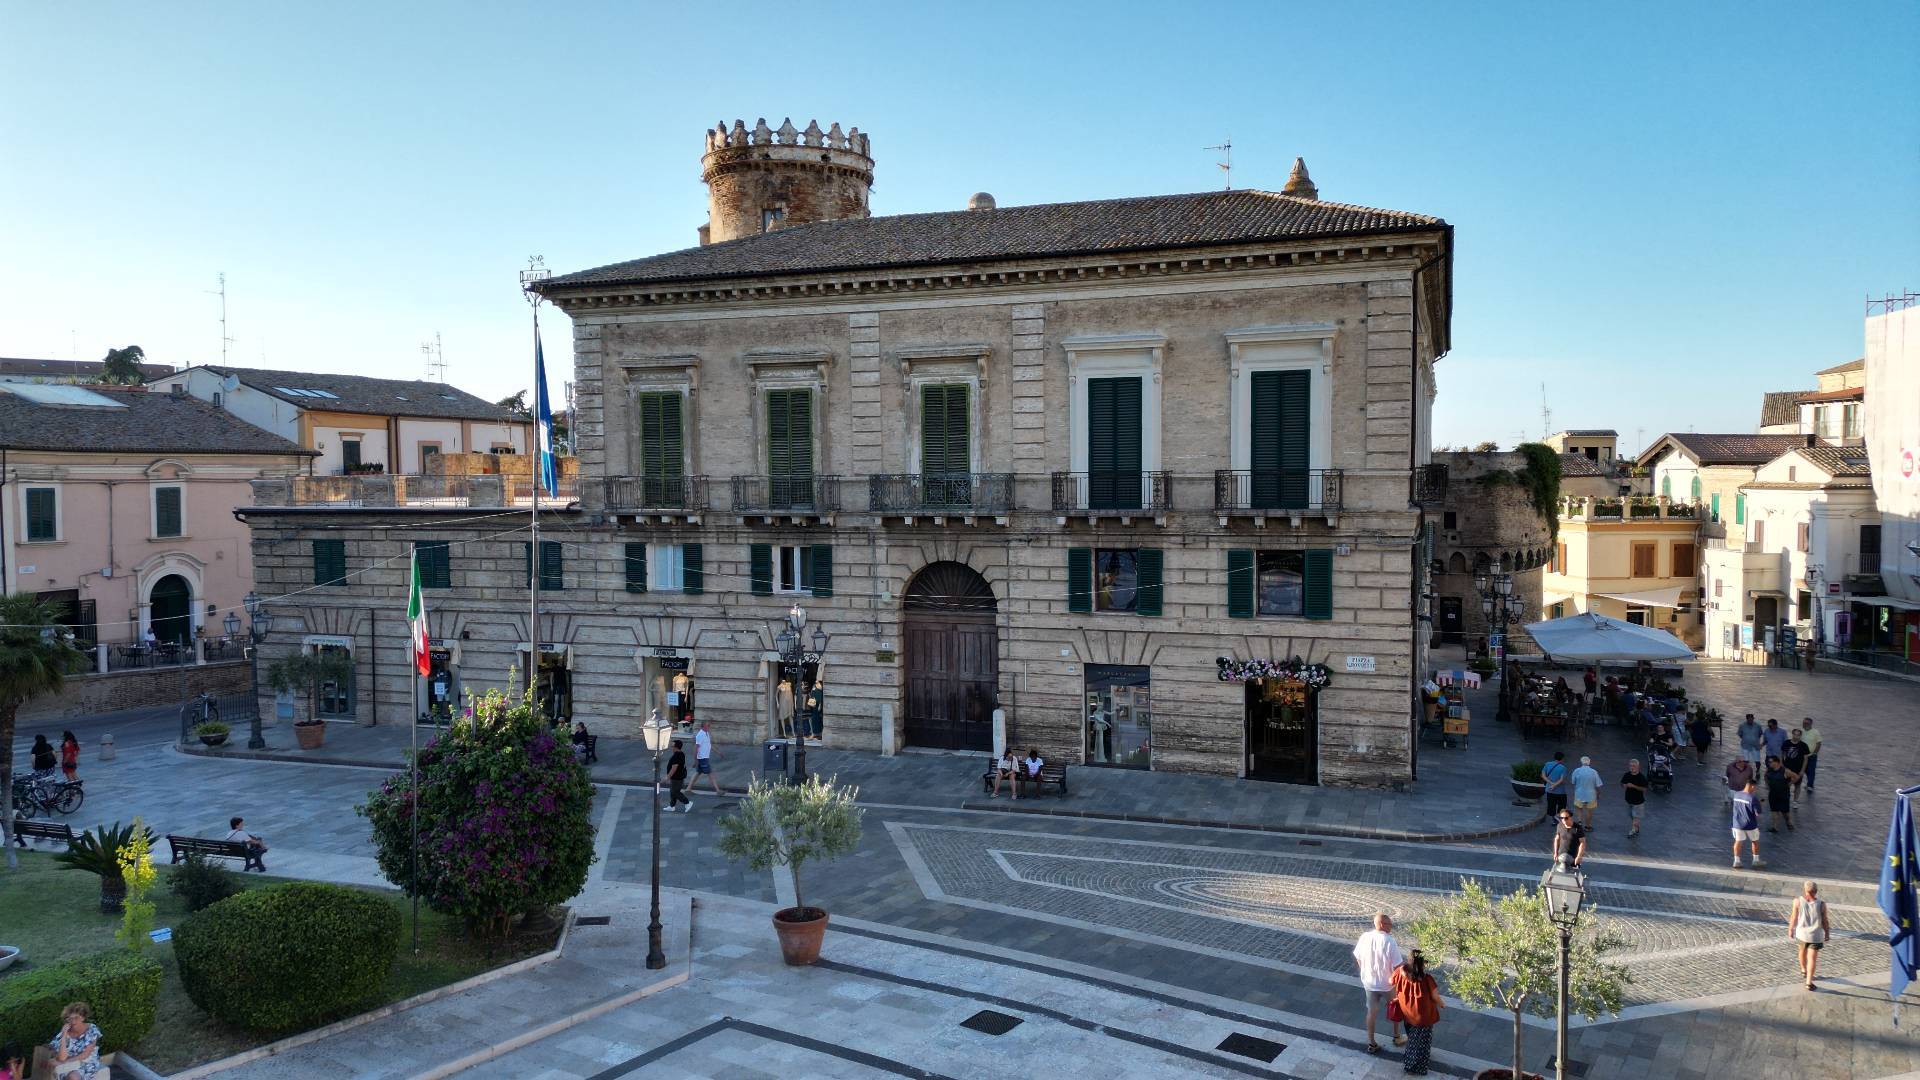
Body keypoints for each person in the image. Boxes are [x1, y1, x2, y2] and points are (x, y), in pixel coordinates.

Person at [1352, 912, 1406, 1055]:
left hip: (1369, 983)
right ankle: (1396, 1036)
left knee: (1371, 1012)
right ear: (1382, 924)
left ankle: (1371, 1043)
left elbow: (1358, 957)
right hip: (1387, 984)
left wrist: (1363, 972)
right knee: (1394, 1008)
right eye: (1389, 924)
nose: (1391, 927)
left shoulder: (1364, 937)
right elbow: (1398, 966)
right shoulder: (1389, 941)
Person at [1391, 949, 1441, 1075]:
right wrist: (1442, 1004)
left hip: (1407, 1013)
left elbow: (1390, 981)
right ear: (1422, 964)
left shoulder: (1400, 972)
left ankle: (1412, 1062)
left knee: (1412, 1038)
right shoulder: (1427, 979)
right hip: (1423, 1017)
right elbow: (1435, 996)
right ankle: (1414, 1066)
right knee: (1421, 1043)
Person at [47, 1001, 107, 1079]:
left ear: (83, 1018)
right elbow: (61, 1058)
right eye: (70, 1018)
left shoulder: (91, 1029)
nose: (73, 1021)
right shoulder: (64, 1033)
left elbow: (85, 1054)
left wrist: (65, 1062)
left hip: (86, 1062)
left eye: (76, 1018)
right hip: (67, 1063)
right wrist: (64, 1034)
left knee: (73, 1077)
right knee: (59, 1070)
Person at [1789, 881, 1830, 990]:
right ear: (1816, 891)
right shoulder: (1821, 904)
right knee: (1812, 959)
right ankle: (1809, 982)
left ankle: (1803, 969)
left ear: (1805, 890)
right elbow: (1825, 921)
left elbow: (1793, 917)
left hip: (1801, 934)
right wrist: (1827, 933)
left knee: (1801, 952)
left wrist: (1791, 929)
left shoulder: (1797, 901)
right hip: (1815, 936)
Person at [1732, 778, 1765, 869]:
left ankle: (1736, 861)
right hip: (1750, 824)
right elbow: (1757, 813)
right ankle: (1756, 860)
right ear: (1752, 786)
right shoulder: (1752, 798)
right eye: (1755, 787)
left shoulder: (1736, 795)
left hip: (1737, 824)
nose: (1754, 789)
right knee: (1755, 841)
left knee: (1738, 841)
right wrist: (1760, 804)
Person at [1570, 756, 1602, 829]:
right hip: (1591, 795)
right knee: (1589, 811)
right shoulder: (1594, 772)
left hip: (1579, 794)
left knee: (1579, 809)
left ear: (1581, 762)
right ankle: (1587, 826)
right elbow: (1598, 785)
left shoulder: (1576, 771)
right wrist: (1599, 793)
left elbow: (1573, 782)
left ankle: (1579, 822)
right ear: (1589, 762)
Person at [1620, 759, 1649, 838]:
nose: (1632, 767)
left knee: (1635, 817)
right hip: (1629, 800)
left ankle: (1633, 831)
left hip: (1638, 802)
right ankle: (1636, 828)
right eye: (1630, 766)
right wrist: (1624, 785)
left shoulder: (1641, 777)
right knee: (1632, 816)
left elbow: (1644, 789)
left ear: (1638, 767)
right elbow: (1622, 783)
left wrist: (1633, 786)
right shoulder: (1627, 775)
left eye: (1634, 766)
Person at [1764, 755, 1793, 832]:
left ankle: (1788, 822)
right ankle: (1775, 827)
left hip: (1784, 794)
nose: (1769, 763)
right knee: (1774, 810)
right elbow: (1765, 776)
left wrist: (1789, 784)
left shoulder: (1785, 771)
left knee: (1785, 812)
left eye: (1770, 762)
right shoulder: (1769, 770)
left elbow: (1796, 777)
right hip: (1773, 794)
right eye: (1768, 762)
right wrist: (1767, 784)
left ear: (1776, 762)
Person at [692, 719, 721, 795]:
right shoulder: (700, 735)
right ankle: (718, 791)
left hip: (704, 757)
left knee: (698, 773)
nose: (709, 727)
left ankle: (688, 789)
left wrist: (718, 752)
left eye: (709, 725)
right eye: (708, 725)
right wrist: (695, 760)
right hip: (702, 758)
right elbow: (696, 748)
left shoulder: (707, 733)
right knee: (710, 773)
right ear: (703, 726)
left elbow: (709, 745)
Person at [1782, 728, 1810, 804]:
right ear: (1792, 734)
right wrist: (1782, 765)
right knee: (1786, 784)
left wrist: (1802, 770)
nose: (1796, 736)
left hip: (1798, 768)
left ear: (1800, 736)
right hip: (1787, 768)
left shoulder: (1804, 745)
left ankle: (1795, 801)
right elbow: (1782, 754)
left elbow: (1806, 759)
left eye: (1798, 735)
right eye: (1795, 734)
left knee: (1797, 785)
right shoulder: (1786, 743)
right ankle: (1785, 799)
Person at [1541, 752, 1570, 818]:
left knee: (1551, 805)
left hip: (1549, 789)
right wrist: (1554, 785)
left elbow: (1543, 775)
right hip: (1560, 791)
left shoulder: (1547, 764)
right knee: (1562, 805)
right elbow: (1561, 779)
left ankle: (1553, 818)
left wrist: (1551, 783)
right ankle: (1558, 817)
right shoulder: (1563, 768)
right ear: (1562, 758)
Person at [1799, 717, 1822, 795]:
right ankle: (1809, 782)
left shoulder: (1815, 732)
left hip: (1811, 755)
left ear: (1811, 724)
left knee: (1811, 770)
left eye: (1806, 723)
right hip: (1802, 756)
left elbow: (1819, 743)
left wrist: (1815, 753)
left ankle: (1810, 785)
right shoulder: (1801, 731)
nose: (1804, 724)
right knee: (1805, 770)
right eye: (1803, 723)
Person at [665, 740, 690, 811]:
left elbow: (674, 768)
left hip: (676, 778)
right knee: (672, 792)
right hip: (679, 777)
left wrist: (668, 777)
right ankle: (672, 806)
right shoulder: (681, 753)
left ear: (676, 747)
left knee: (675, 792)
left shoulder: (676, 756)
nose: (671, 747)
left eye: (672, 746)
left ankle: (687, 802)